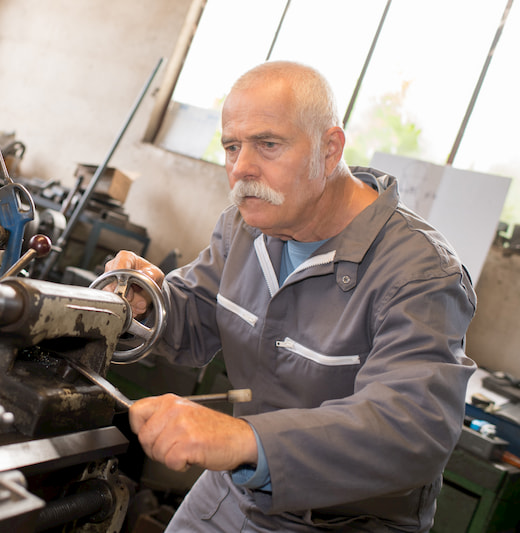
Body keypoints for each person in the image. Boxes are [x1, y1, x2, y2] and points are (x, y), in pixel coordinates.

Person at [105, 60, 476, 532]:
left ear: (329, 148)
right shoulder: (245, 226)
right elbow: (194, 318)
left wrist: (245, 440)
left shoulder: (420, 272)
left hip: (344, 520)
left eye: (268, 144)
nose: (241, 168)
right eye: (231, 147)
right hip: (237, 485)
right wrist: (144, 301)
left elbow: (410, 428)